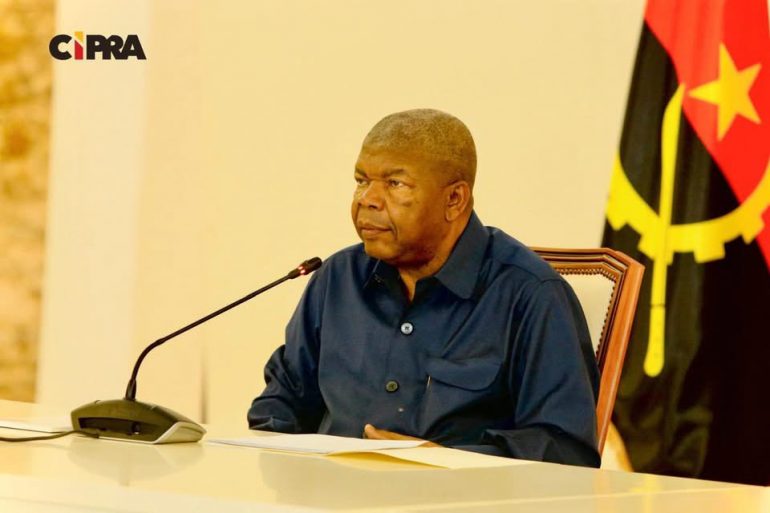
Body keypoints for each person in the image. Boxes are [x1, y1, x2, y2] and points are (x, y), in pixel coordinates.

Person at [248, 109, 601, 467]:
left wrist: (447, 463)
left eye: (395, 184)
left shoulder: (530, 295)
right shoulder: (337, 279)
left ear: (454, 200)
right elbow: (281, 405)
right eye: (361, 180)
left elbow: (565, 450)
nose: (367, 199)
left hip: (458, 496)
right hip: (332, 491)